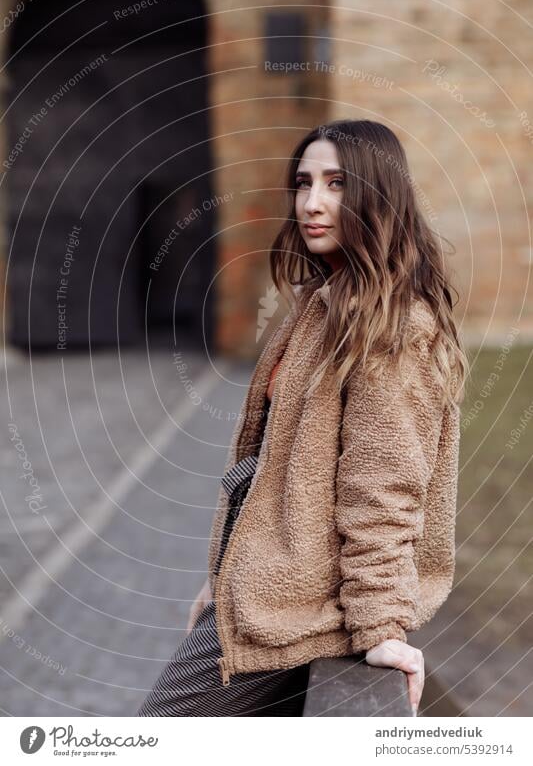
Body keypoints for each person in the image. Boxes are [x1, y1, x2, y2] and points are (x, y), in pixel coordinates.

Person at [136, 118, 467, 717]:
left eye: (337, 183)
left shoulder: (391, 325)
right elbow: (267, 469)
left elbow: (384, 489)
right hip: (265, 597)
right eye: (303, 182)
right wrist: (225, 585)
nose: (313, 203)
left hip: (302, 613)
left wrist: (382, 626)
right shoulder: (326, 303)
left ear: (378, 194)